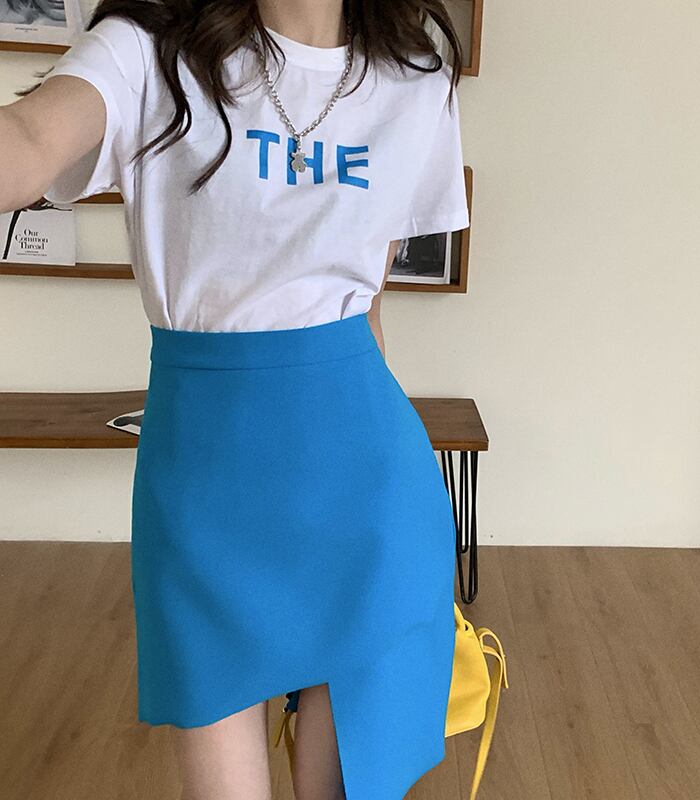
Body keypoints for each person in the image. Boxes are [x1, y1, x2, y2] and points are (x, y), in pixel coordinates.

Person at [0, 0, 470, 797]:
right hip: (204, 489)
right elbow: (28, 142)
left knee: (350, 785)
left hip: (371, 488)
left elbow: (366, 302)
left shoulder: (414, 76)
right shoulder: (151, 50)